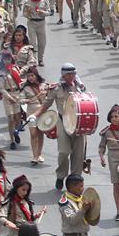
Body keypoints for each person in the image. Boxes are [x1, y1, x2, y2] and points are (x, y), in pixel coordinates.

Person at [34, 63, 88, 191]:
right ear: (63, 75)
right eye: (69, 74)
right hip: (63, 121)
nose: (72, 76)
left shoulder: (80, 87)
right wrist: (34, 115)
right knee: (64, 152)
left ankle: (75, 180)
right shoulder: (56, 88)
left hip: (78, 123)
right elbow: (46, 104)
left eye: (73, 74)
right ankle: (61, 175)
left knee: (78, 155)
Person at [23, 0, 50, 66]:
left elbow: (49, 12)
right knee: (33, 42)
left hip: (41, 23)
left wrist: (43, 12)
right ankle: (33, 59)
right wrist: (28, 13)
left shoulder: (44, 1)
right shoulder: (27, 1)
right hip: (32, 22)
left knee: (42, 43)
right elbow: (24, 13)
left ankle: (40, 59)